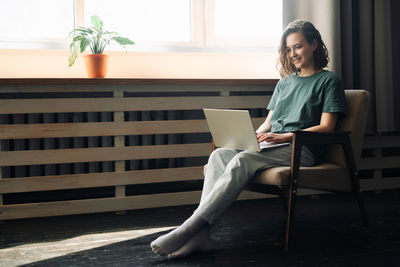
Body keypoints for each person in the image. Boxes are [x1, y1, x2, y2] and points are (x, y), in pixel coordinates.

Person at [150, 19, 347, 259]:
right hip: (275, 142)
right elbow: (269, 121)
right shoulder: (285, 83)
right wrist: (254, 135)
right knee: (219, 155)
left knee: (245, 160)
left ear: (314, 44)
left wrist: (285, 136)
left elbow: (328, 126)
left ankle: (190, 228)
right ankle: (203, 236)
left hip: (302, 147)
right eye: (288, 49)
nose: (292, 54)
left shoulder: (329, 81)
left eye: (298, 47)